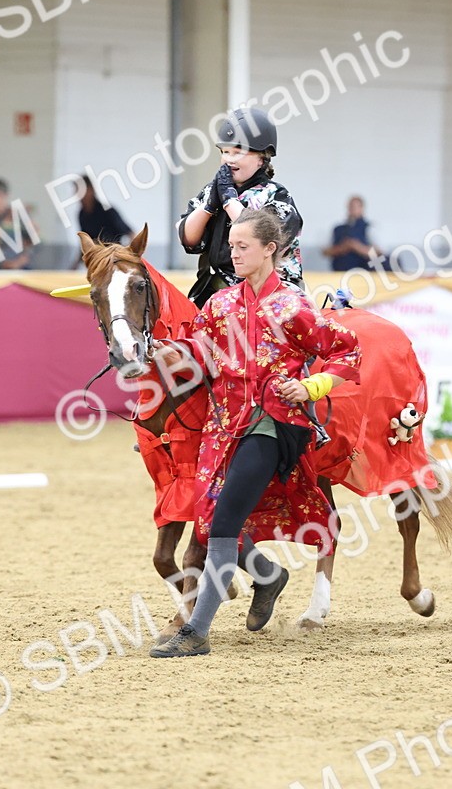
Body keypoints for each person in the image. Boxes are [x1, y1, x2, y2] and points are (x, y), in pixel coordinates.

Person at [150, 207, 361, 658]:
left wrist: (310, 386)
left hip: (272, 424)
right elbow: (200, 352)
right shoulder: (220, 304)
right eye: (231, 246)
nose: (234, 253)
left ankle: (196, 631)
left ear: (270, 249)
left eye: (243, 246)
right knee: (211, 520)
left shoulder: (293, 306)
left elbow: (346, 350)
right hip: (222, 428)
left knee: (223, 521)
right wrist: (163, 350)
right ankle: (267, 576)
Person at [178, 106, 304, 307]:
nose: (229, 159)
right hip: (211, 295)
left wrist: (229, 201)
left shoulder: (277, 196)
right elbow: (188, 239)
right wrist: (209, 206)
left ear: (262, 158)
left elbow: (257, 236)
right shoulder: (211, 191)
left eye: (238, 153)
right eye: (225, 152)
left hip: (269, 299)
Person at [324, 196, 379, 271]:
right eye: (351, 207)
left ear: (362, 208)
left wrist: (356, 246)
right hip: (339, 272)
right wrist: (342, 248)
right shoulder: (338, 229)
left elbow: (378, 252)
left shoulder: (369, 228)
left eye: (356, 207)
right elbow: (326, 251)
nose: (353, 209)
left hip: (362, 273)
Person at [78, 177, 133, 245]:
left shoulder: (107, 211)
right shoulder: (82, 215)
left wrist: (132, 251)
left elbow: (131, 233)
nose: (78, 195)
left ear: (91, 190)